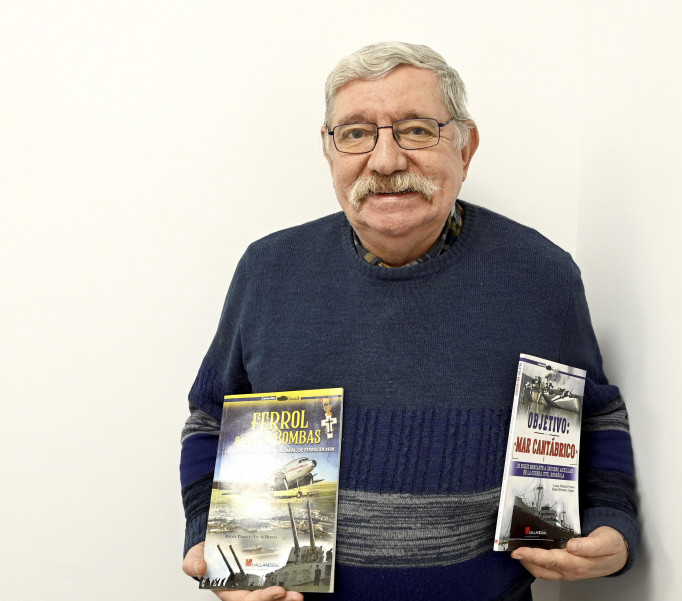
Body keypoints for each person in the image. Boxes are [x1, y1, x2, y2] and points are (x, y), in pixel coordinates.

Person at [180, 41, 639, 601]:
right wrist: (214, 548)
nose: (386, 161)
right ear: (329, 153)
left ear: (465, 149)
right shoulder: (268, 271)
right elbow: (209, 418)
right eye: (355, 134)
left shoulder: (542, 276)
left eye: (417, 130)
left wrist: (614, 525)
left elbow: (595, 417)